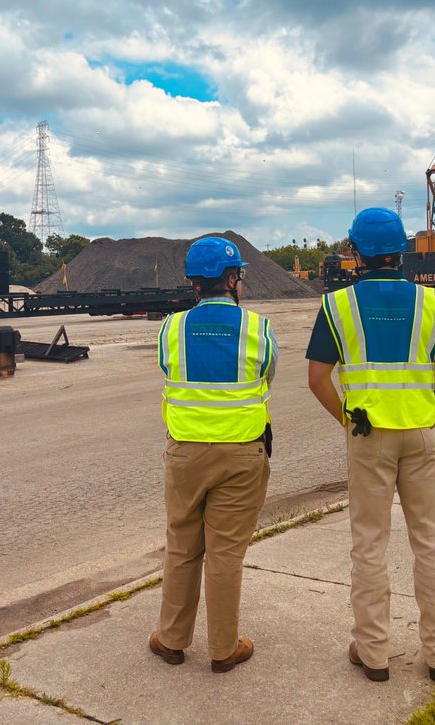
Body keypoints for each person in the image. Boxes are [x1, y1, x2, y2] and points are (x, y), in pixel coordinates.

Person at [306, 208, 435, 684]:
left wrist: (347, 418)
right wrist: (428, 414)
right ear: (401, 251)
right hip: (421, 435)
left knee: (369, 545)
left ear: (355, 253)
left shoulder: (337, 306)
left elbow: (318, 377)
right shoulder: (434, 303)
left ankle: (374, 652)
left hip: (367, 436)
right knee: (430, 544)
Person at [149, 236, 277, 673]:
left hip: (184, 454)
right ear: (231, 278)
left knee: (182, 547)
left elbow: (168, 371)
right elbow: (267, 376)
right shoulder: (258, 329)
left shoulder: (170, 328)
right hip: (242, 455)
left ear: (193, 283)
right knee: (225, 554)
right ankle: (224, 649)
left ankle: (170, 640)